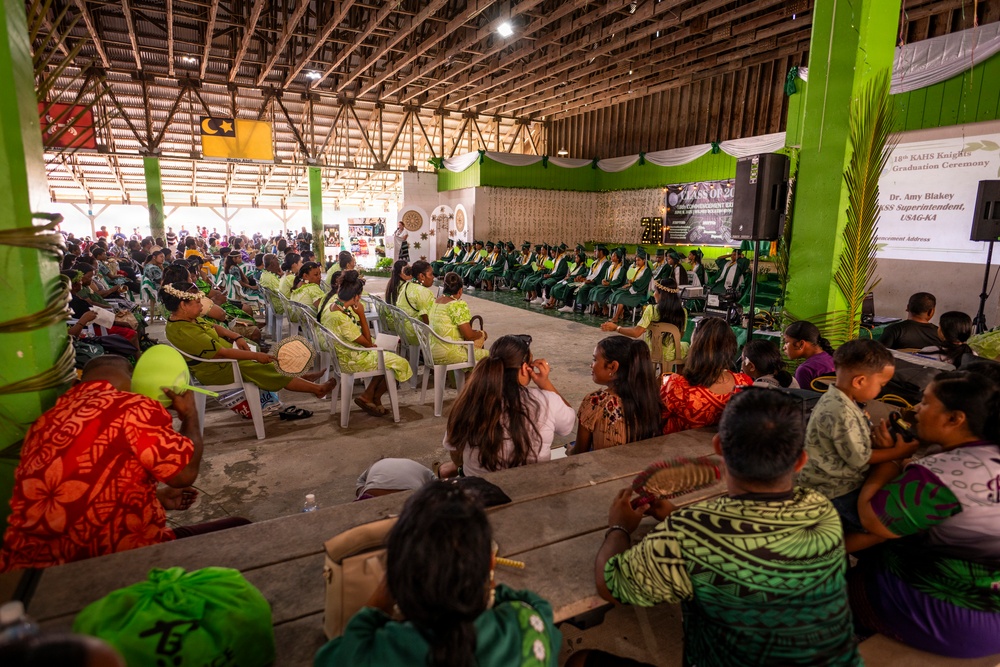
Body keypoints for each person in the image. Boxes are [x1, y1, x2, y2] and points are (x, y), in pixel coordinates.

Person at [593, 389, 861, 667]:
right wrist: (679, 518)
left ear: (718, 447)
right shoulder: (821, 510)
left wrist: (619, 526)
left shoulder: (689, 533)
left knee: (580, 660)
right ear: (801, 460)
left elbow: (610, 586)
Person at [0, 357, 247, 572]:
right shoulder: (132, 407)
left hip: (29, 568)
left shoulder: (46, 419)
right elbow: (183, 475)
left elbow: (79, 484)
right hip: (114, 558)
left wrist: (156, 498)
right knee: (242, 529)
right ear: (132, 376)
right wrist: (190, 415)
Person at [315, 481, 560, 666]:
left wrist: (384, 594)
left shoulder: (371, 653)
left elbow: (335, 652)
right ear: (490, 564)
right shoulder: (529, 629)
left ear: (398, 575)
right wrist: (487, 580)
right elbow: (535, 604)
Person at [851, 371, 1000, 658]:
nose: (916, 409)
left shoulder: (946, 474)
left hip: (957, 620)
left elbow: (874, 520)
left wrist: (890, 459)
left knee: (831, 583)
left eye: (926, 403)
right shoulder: (988, 456)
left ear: (954, 419)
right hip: (989, 605)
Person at [797, 340, 917, 542]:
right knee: (879, 526)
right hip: (834, 489)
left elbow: (852, 442)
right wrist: (900, 453)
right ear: (859, 381)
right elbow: (861, 458)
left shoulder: (842, 401)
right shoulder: (841, 411)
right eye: (881, 385)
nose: (881, 390)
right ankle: (833, 552)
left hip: (833, 480)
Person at [162, 282, 334, 398]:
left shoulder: (186, 319)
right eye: (197, 302)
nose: (202, 305)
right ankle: (317, 389)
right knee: (261, 362)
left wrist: (236, 336)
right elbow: (221, 353)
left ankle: (302, 377)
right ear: (183, 305)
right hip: (217, 369)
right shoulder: (185, 331)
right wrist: (254, 357)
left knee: (257, 351)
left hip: (224, 360)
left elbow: (214, 327)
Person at [443, 335, 575, 477]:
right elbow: (568, 424)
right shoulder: (548, 401)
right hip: (534, 490)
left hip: (480, 491)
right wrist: (545, 383)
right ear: (525, 368)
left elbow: (453, 447)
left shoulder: (469, 400)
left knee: (450, 468)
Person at [318, 271, 413, 417]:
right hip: (352, 358)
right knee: (399, 363)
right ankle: (373, 396)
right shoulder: (341, 317)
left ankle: (370, 396)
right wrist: (361, 314)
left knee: (388, 356)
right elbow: (368, 343)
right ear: (356, 296)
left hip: (343, 353)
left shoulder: (333, 304)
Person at [660, 317, 752, 434]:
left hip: (675, 449)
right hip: (720, 450)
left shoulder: (677, 386)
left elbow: (655, 421)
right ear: (731, 348)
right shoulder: (744, 383)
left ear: (694, 349)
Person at [572, 336, 660, 454]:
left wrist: (569, 451)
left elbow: (579, 452)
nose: (591, 365)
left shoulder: (596, 402)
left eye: (595, 360)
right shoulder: (651, 397)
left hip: (604, 470)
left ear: (613, 367)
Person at [601, 277, 687, 363]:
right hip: (673, 354)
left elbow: (636, 333)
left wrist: (616, 328)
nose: (654, 294)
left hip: (652, 351)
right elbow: (680, 335)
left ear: (662, 294)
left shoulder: (651, 310)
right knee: (685, 345)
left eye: (655, 291)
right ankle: (678, 374)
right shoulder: (683, 312)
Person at [429, 272, 489, 364]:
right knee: (491, 356)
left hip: (431, 351)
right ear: (460, 290)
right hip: (449, 353)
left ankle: (461, 377)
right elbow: (469, 336)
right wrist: (481, 334)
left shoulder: (435, 301)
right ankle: (470, 376)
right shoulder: (457, 305)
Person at [783, 320, 836, 389]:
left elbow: (802, 399)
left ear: (801, 344)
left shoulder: (805, 370)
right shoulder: (834, 358)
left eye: (787, 342)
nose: (784, 347)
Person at [607, 248, 653, 323]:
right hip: (632, 289)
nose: (637, 262)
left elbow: (641, 283)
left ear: (644, 260)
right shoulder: (636, 268)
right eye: (636, 260)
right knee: (617, 292)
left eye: (639, 260)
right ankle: (621, 312)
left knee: (621, 296)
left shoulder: (647, 271)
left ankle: (616, 317)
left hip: (639, 292)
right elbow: (631, 279)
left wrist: (632, 283)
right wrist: (628, 284)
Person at [588, 247, 628, 317]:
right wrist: (604, 280)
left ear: (618, 258)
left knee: (598, 292)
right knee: (592, 290)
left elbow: (619, 280)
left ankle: (604, 308)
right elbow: (606, 277)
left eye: (614, 256)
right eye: (612, 255)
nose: (612, 257)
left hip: (614, 287)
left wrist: (609, 283)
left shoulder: (621, 269)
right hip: (607, 285)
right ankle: (597, 309)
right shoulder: (610, 267)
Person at [570, 244, 610, 313]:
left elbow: (602, 277)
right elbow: (589, 273)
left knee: (583, 288)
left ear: (601, 252)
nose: (594, 253)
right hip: (590, 281)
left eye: (595, 251)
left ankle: (587, 306)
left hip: (598, 283)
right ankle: (574, 305)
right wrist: (581, 276)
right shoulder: (595, 262)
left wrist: (592, 281)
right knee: (573, 285)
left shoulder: (606, 264)